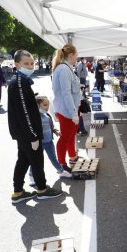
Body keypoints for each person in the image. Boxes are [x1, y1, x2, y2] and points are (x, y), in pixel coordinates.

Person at [8, 50, 63, 203]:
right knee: (36, 160)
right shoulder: (20, 82)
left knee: (23, 160)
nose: (30, 66)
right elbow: (24, 113)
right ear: (17, 64)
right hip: (27, 133)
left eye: (32, 63)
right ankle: (42, 189)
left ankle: (18, 192)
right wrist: (33, 136)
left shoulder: (20, 81)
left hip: (23, 132)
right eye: (26, 63)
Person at [28, 96, 72, 187]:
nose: (47, 107)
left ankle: (61, 171)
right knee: (36, 160)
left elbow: (51, 125)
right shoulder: (34, 116)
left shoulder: (47, 115)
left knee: (53, 157)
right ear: (37, 105)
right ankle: (32, 176)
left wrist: (56, 131)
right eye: (44, 105)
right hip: (39, 143)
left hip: (49, 142)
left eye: (48, 105)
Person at [51, 44, 82, 172]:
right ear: (71, 55)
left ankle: (72, 157)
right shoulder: (64, 69)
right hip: (67, 110)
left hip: (70, 109)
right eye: (76, 55)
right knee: (65, 137)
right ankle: (62, 164)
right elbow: (66, 93)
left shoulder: (66, 68)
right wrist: (73, 113)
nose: (77, 58)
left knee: (70, 135)